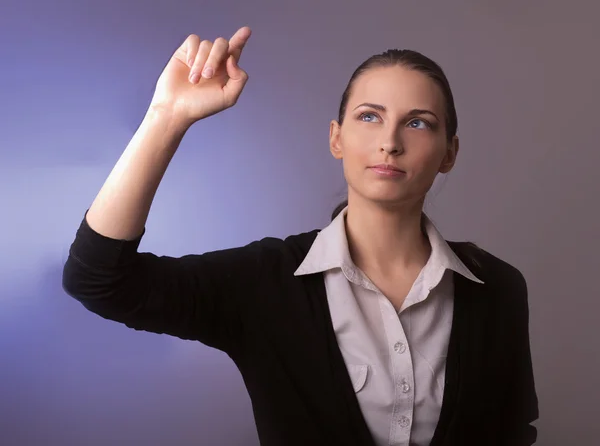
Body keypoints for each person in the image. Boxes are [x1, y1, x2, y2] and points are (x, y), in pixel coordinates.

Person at [62, 26, 539, 446]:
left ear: (449, 153)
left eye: (418, 123)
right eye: (369, 116)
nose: (390, 142)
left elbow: (515, 433)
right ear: (337, 138)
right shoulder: (263, 283)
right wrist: (166, 118)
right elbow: (99, 279)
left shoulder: (497, 288)